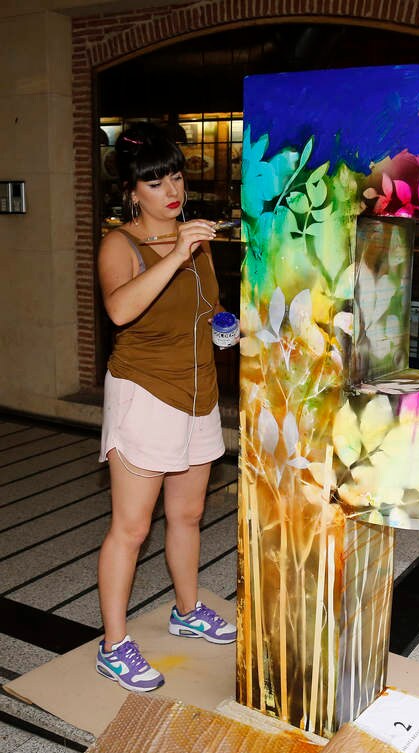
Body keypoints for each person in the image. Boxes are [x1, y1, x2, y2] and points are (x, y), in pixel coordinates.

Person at [95, 122, 236, 692]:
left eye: (175, 174)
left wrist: (228, 325)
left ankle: (186, 609)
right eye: (155, 180)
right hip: (145, 392)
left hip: (199, 392)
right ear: (133, 191)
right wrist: (176, 252)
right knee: (130, 528)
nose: (171, 188)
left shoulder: (193, 238)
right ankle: (113, 645)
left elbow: (205, 309)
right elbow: (121, 311)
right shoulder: (119, 243)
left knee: (188, 515)